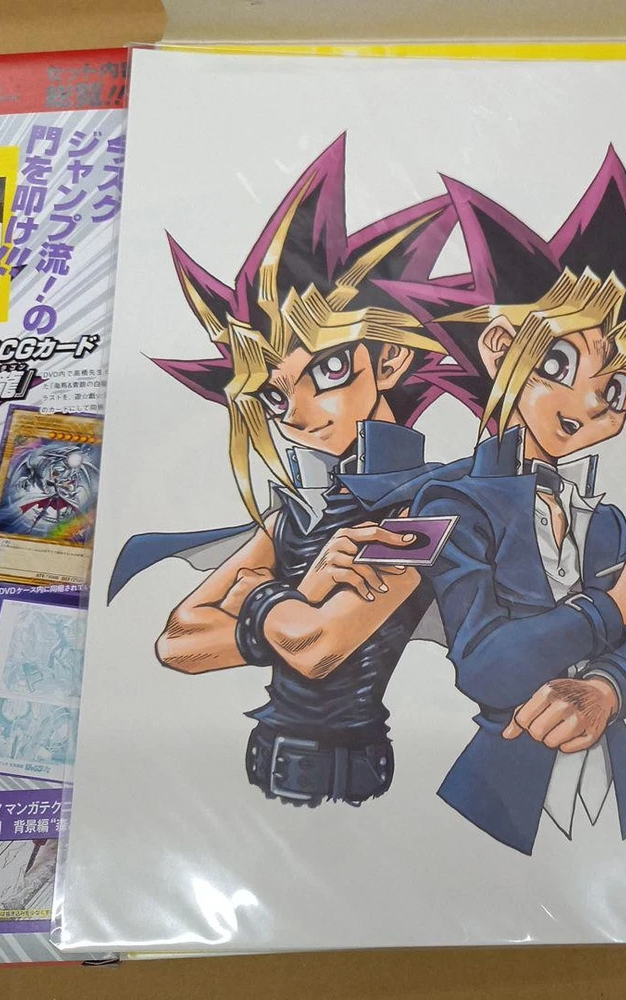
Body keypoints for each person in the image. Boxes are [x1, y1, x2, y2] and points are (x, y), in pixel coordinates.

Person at [109, 136, 476, 809]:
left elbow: (319, 647)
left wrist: (256, 595)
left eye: (328, 370)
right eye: (276, 396)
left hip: (353, 788)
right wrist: (297, 593)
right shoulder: (298, 510)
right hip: (263, 773)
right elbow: (176, 641)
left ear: (390, 361)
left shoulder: (425, 504)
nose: (298, 415)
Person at [385, 147, 626, 854]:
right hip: (501, 798)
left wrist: (608, 687)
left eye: (617, 389)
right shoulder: (451, 503)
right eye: (559, 363)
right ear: (499, 347)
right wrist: (617, 606)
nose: (590, 402)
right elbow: (488, 667)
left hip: (618, 800)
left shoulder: (600, 520)